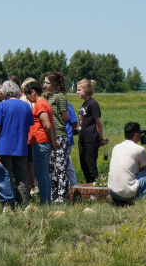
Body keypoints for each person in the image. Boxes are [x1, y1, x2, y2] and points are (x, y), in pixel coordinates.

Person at [0, 80, 34, 207]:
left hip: (4, 146)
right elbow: (29, 126)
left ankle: (8, 203)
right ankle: (24, 203)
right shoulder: (26, 106)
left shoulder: (1, 106)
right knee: (22, 175)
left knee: (7, 175)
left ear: (5, 92)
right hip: (21, 146)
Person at [107, 122, 146, 205]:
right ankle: (138, 199)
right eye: (140, 133)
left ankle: (116, 200)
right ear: (136, 135)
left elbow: (130, 169)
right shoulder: (139, 149)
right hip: (127, 193)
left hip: (112, 191)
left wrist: (142, 169)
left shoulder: (116, 147)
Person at [24, 81, 59, 205]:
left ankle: (45, 201)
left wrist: (53, 142)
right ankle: (46, 200)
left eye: (28, 95)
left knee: (40, 173)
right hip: (43, 142)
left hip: (40, 142)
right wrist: (53, 141)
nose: (28, 98)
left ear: (33, 92)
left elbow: (47, 125)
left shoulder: (40, 104)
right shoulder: (44, 103)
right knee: (44, 173)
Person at [43, 72, 71, 202]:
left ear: (54, 84)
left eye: (47, 83)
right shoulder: (48, 97)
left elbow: (66, 117)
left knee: (61, 166)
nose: (44, 85)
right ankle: (53, 192)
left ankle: (62, 195)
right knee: (52, 167)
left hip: (60, 135)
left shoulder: (59, 97)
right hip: (50, 137)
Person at [77, 79, 106, 184]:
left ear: (86, 90)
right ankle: (88, 185)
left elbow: (98, 123)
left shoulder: (93, 104)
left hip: (90, 140)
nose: (77, 92)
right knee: (84, 165)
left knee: (90, 166)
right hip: (82, 139)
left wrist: (100, 138)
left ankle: (95, 185)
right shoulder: (85, 104)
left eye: (79, 90)